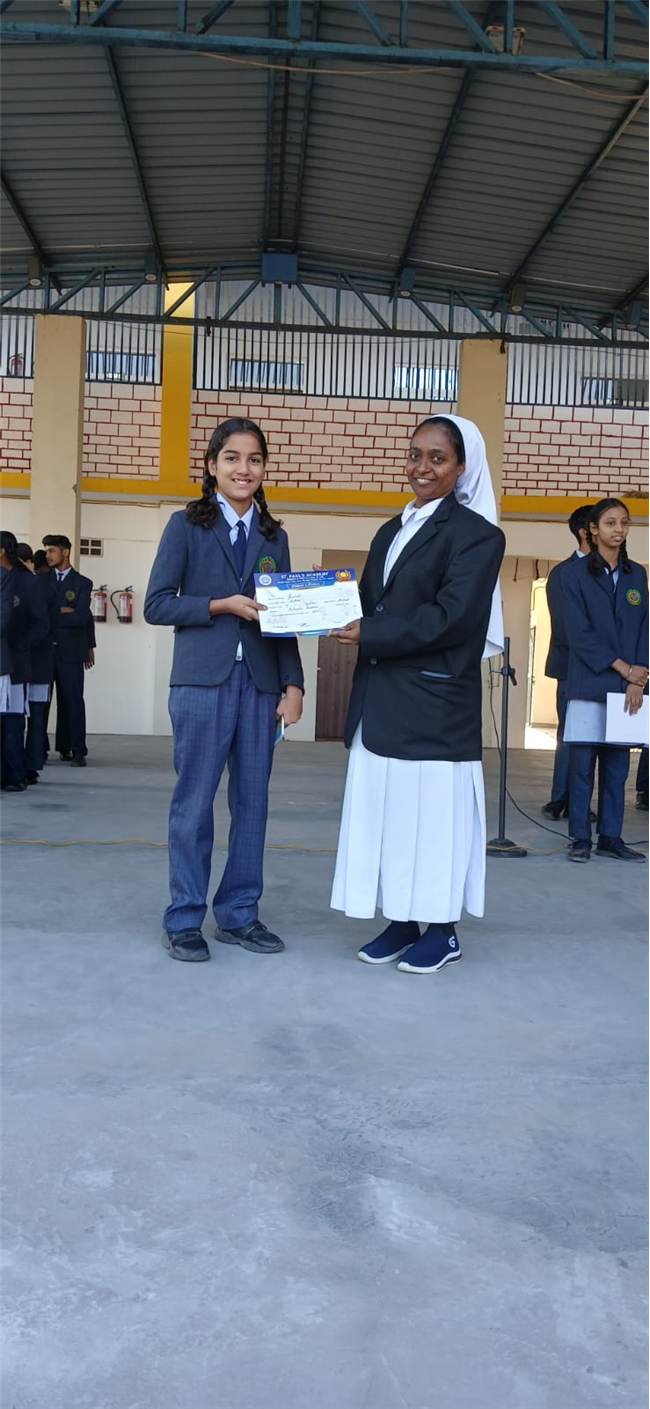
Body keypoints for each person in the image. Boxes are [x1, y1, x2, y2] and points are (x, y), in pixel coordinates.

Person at [330, 414, 506, 976]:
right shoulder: (391, 529)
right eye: (414, 454)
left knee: (434, 822)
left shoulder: (479, 536)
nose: (422, 467)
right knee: (390, 817)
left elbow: (453, 618)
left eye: (437, 457)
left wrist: (371, 632)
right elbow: (370, 601)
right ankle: (404, 920)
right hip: (381, 699)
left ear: (461, 467)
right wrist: (319, 601)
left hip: (434, 709)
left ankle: (443, 930)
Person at [144, 418, 304, 964]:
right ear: (212, 465)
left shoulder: (274, 536)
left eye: (254, 459)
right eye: (232, 458)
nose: (244, 468)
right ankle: (184, 918)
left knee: (252, 804)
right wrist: (220, 605)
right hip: (201, 683)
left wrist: (293, 684)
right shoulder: (185, 526)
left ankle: (238, 914)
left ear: (264, 469)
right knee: (193, 803)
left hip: (259, 686)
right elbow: (157, 604)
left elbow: (283, 618)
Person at [562, 498, 649, 864]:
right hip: (588, 682)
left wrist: (638, 677)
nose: (619, 529)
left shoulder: (636, 574)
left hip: (626, 687)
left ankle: (610, 837)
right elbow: (578, 633)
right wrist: (623, 668)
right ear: (593, 530)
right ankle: (580, 838)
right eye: (610, 523)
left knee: (617, 767)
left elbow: (644, 627)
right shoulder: (573, 575)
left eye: (624, 523)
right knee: (582, 766)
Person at [542, 504, 593, 819]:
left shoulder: (617, 571)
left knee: (594, 738)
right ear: (586, 532)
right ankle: (561, 799)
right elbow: (565, 627)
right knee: (571, 734)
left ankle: (579, 800)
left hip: (606, 669)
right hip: (574, 667)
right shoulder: (564, 573)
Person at [0, 532, 50, 792]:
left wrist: (20, 645)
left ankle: (16, 774)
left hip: (17, 662)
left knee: (13, 720)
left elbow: (41, 625)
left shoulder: (29, 583)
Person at [42, 534, 93, 767]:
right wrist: (64, 611)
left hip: (71, 652)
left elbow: (82, 617)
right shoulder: (41, 580)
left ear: (65, 552)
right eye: (46, 551)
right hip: (44, 652)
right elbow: (40, 614)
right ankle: (39, 749)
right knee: (42, 703)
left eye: (52, 550)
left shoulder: (83, 583)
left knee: (72, 701)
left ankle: (76, 749)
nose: (47, 555)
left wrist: (54, 614)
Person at [17, 542, 54, 783]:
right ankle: (32, 765)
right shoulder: (44, 586)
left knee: (16, 717)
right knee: (37, 718)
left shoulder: (18, 584)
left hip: (23, 662)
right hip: (41, 662)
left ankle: (20, 765)